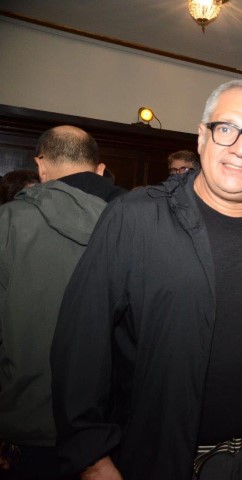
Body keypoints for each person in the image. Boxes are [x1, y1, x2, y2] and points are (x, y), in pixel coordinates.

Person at [50, 80, 242, 480]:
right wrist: (91, 457)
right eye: (226, 129)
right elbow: (80, 339)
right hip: (159, 459)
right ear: (202, 137)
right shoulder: (136, 217)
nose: (240, 148)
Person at [0, 126, 124, 479]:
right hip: (109, 434)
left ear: (41, 166)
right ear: (100, 169)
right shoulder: (134, 222)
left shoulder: (7, 223)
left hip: (26, 426)